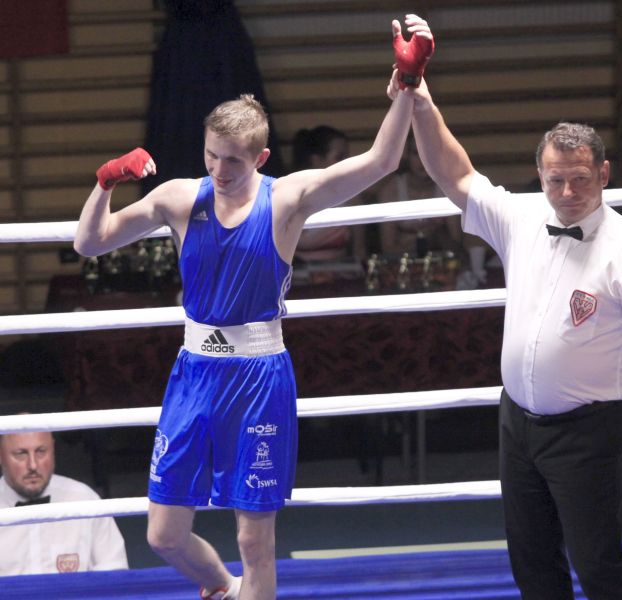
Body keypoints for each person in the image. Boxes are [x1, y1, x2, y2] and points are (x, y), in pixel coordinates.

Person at [73, 20, 427, 597]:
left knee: (254, 542)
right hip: (193, 374)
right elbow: (89, 243)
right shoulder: (179, 198)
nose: (218, 170)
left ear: (259, 157)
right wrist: (106, 182)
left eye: (232, 161)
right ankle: (222, 589)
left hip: (259, 376)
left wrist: (409, 80)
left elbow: (381, 161)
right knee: (163, 534)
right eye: (211, 156)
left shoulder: (287, 199)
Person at [395, 15, 622, 599]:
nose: (568, 193)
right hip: (516, 422)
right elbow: (455, 173)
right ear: (540, 175)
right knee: (532, 563)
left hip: (588, 430)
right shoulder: (522, 217)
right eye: (555, 180)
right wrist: (418, 91)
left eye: (579, 179)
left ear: (603, 172)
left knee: (598, 564)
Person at [0, 429, 128, 575]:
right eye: (21, 453)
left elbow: (114, 571)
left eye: (41, 451)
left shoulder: (84, 501)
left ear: (53, 450)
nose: (33, 465)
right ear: (1, 455)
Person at [290, 125, 367, 263]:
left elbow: (359, 251)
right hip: (296, 279)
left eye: (347, 156)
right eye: (340, 157)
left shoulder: (352, 195)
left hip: (341, 277)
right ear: (316, 160)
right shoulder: (290, 194)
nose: (347, 162)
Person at [377, 134, 461, 257]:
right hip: (401, 267)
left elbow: (457, 247)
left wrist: (439, 234)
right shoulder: (390, 191)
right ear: (407, 156)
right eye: (416, 153)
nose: (423, 160)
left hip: (442, 267)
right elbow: (387, 250)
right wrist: (425, 240)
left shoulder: (449, 190)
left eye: (429, 153)